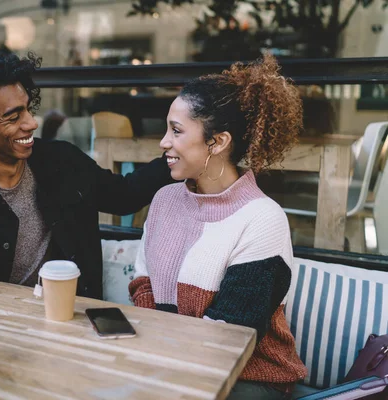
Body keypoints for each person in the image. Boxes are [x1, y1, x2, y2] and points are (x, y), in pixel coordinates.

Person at [0, 51, 174, 299]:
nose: (32, 123)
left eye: (27, 109)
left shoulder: (64, 162)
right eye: (13, 117)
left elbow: (123, 196)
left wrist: (174, 158)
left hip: (69, 319)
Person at [128, 55, 307, 399]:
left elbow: (228, 334)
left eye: (176, 131)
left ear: (218, 142)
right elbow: (142, 284)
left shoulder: (262, 219)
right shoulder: (164, 199)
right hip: (170, 364)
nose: (164, 142)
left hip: (250, 379)